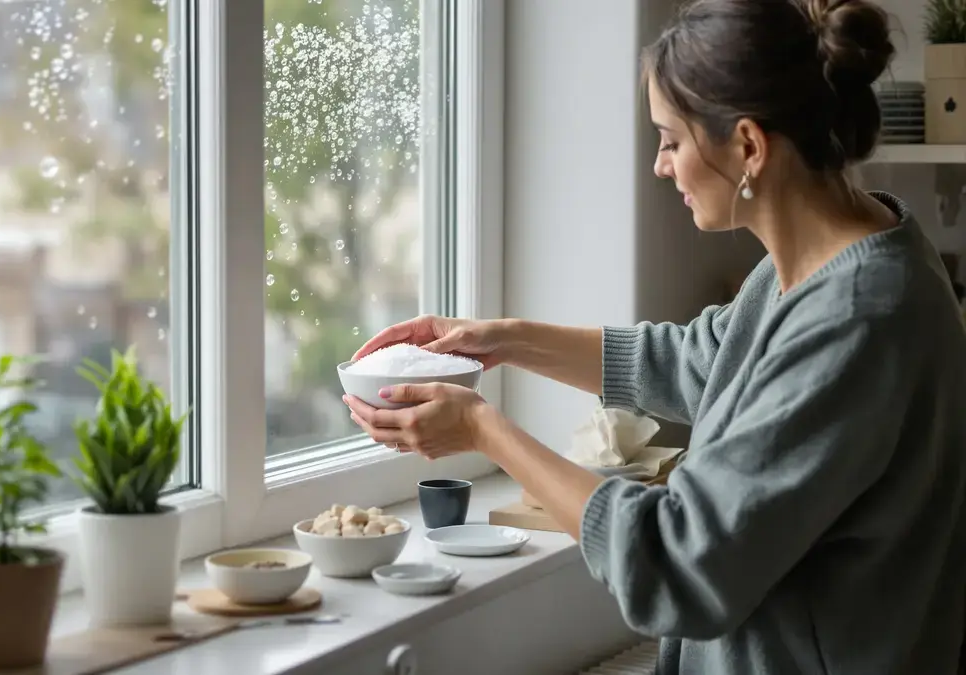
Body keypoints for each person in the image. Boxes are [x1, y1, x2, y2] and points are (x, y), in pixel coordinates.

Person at [343, 0, 966, 673]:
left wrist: (485, 431)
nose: (659, 167)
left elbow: (677, 562)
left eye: (671, 140)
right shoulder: (828, 259)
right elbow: (695, 362)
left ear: (750, 147)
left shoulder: (859, 316)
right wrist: (500, 340)